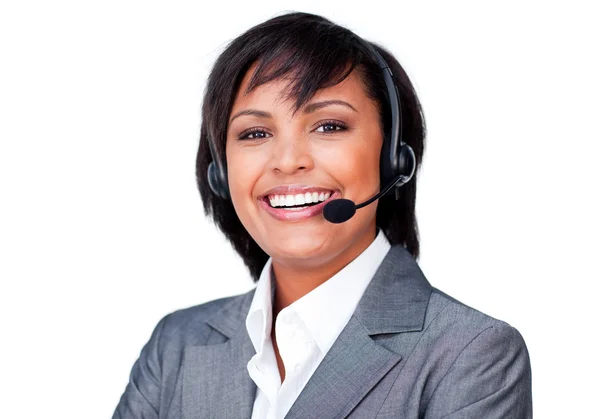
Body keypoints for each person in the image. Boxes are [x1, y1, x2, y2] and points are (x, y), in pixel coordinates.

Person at [113, 11, 532, 419]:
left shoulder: (471, 355)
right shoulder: (177, 347)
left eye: (329, 126)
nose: (288, 161)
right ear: (220, 173)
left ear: (393, 159)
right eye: (255, 133)